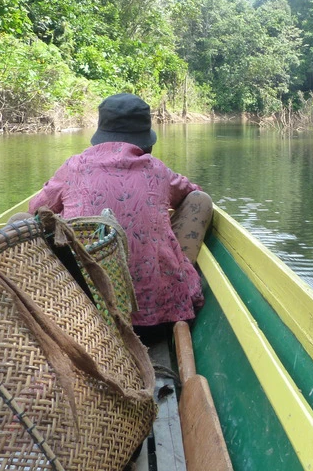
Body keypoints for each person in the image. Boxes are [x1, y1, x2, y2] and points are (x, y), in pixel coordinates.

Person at [28, 93, 212, 336]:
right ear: (146, 140)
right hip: (160, 320)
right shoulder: (157, 169)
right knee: (201, 201)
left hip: (86, 316)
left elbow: (36, 210)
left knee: (21, 223)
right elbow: (193, 194)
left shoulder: (73, 166)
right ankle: (180, 274)